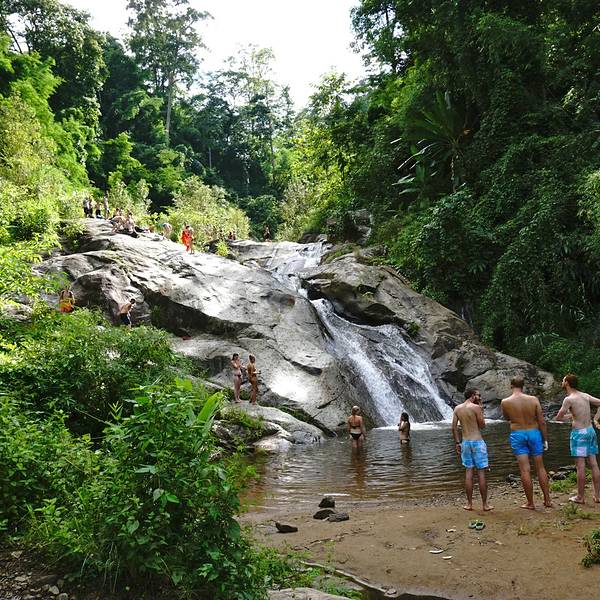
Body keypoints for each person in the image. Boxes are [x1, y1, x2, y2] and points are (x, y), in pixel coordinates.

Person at [501, 376, 553, 509]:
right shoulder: (533, 399)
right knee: (540, 467)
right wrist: (545, 439)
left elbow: (507, 418)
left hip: (518, 434)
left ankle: (530, 503)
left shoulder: (505, 402)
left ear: (511, 385)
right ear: (523, 386)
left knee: (525, 470)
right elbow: (542, 421)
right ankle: (547, 500)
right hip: (534, 433)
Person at [554, 373, 600, 504]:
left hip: (579, 433)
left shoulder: (569, 399)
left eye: (563, 380)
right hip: (590, 431)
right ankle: (598, 496)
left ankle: (580, 497)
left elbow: (558, 418)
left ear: (567, 383)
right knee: (594, 464)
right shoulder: (585, 395)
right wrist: (596, 419)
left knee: (580, 466)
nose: (562, 382)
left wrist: (570, 416)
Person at [452, 389, 493, 512]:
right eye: (477, 395)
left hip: (465, 442)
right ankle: (485, 505)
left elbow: (453, 428)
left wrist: (457, 442)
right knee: (481, 473)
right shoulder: (476, 407)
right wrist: (481, 409)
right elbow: (482, 425)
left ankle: (469, 504)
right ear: (472, 396)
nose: (479, 397)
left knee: (468, 473)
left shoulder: (457, 408)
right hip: (477, 442)